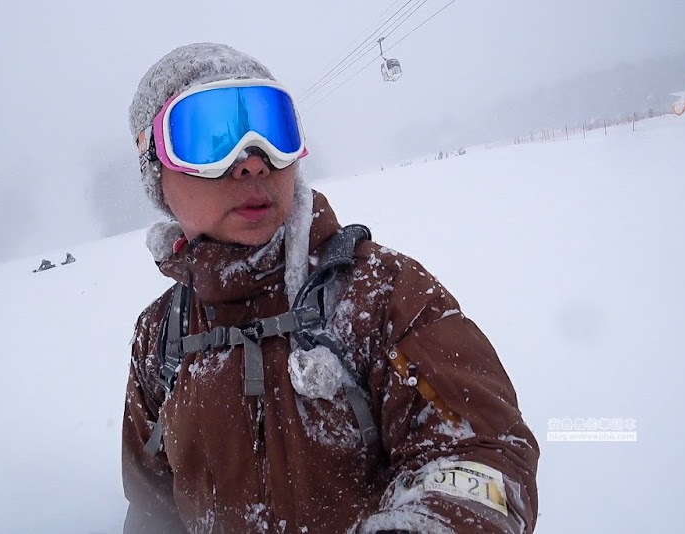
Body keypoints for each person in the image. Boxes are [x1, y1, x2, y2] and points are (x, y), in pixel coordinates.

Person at [123, 42, 539, 534]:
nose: (253, 163)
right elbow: (153, 508)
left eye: (271, 129)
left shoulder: (382, 295)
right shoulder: (162, 338)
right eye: (209, 137)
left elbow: (481, 452)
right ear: (157, 171)